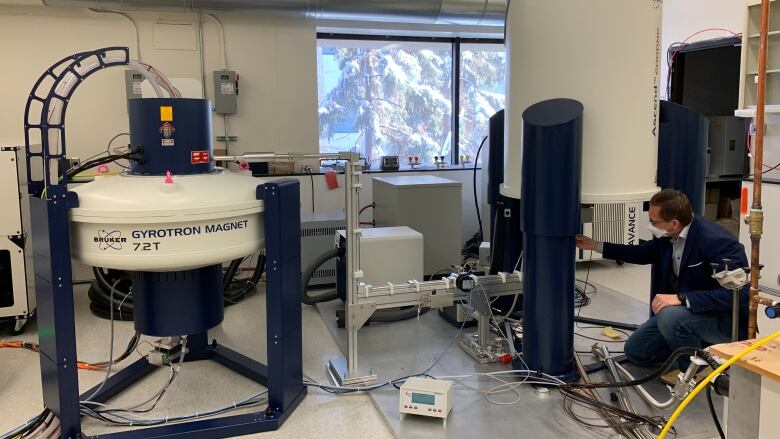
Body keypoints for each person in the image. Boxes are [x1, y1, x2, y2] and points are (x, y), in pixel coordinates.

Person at [575, 189, 749, 371]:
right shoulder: (668, 236)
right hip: (687, 314)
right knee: (636, 351)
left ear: (674, 223)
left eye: (654, 222)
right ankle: (697, 351)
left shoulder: (717, 241)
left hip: (721, 320)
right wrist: (595, 245)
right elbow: (642, 254)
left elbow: (741, 295)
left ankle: (691, 372)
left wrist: (682, 298)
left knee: (668, 316)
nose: (651, 225)